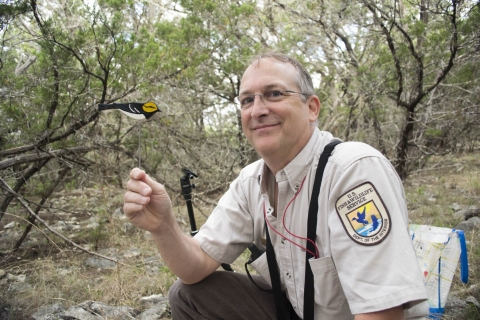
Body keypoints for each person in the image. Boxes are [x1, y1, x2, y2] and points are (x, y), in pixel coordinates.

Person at [123, 53, 429, 319]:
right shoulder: (251, 181)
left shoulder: (352, 171)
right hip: (293, 312)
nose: (257, 110)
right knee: (187, 295)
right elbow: (194, 266)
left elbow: (382, 312)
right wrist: (163, 226)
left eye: (273, 94)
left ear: (311, 107)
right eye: (247, 100)